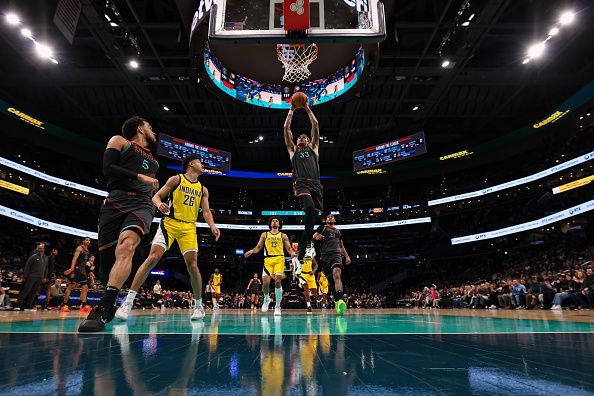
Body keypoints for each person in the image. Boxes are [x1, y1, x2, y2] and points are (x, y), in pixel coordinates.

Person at [115, 154, 220, 321]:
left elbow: (206, 212)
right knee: (152, 258)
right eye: (200, 162)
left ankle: (199, 307)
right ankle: (127, 303)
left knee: (193, 265)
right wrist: (159, 205)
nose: (203, 165)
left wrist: (213, 226)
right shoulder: (176, 179)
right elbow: (156, 196)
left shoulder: (203, 189)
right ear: (191, 164)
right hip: (170, 224)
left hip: (189, 228)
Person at [79, 116, 159, 332]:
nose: (153, 131)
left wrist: (156, 199)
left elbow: (149, 185)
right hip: (115, 201)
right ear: (140, 128)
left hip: (142, 205)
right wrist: (139, 177)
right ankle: (110, 298)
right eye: (150, 127)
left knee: (127, 246)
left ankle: (103, 308)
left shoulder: (154, 160)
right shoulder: (120, 141)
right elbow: (108, 168)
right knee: (106, 267)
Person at [283, 101, 321, 265]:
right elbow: (286, 129)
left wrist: (306, 108)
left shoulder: (314, 148)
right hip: (301, 183)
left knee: (311, 218)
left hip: (316, 184)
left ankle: (302, 252)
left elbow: (315, 124)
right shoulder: (293, 151)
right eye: (300, 137)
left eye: (305, 137)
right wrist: (291, 110)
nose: (302, 138)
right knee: (310, 209)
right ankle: (308, 244)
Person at [244, 217, 296, 316]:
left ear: (280, 224)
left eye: (276, 220)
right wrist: (252, 251)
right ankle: (266, 299)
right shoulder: (265, 234)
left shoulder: (283, 235)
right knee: (265, 283)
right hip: (268, 260)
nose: (274, 221)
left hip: (279, 259)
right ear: (270, 224)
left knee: (277, 280)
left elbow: (289, 248)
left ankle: (277, 306)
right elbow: (259, 247)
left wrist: (292, 253)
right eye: (273, 220)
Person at [312, 214, 351, 314]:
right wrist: (317, 238)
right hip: (324, 258)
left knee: (337, 274)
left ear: (334, 220)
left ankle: (341, 299)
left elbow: (341, 247)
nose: (330, 217)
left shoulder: (338, 232)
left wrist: (346, 256)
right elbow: (312, 239)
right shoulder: (322, 228)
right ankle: (337, 302)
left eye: (332, 217)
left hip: (336, 255)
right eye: (328, 217)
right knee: (332, 283)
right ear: (325, 220)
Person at [15, 243, 49, 311]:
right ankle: (18, 305)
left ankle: (29, 306)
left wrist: (45, 277)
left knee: (34, 292)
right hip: (31, 276)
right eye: (40, 248)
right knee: (26, 290)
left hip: (40, 277)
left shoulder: (46, 257)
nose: (41, 249)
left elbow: (46, 268)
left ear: (44, 249)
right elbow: (27, 266)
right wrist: (25, 276)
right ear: (38, 249)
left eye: (42, 248)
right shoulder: (33, 256)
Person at [61, 238, 92, 313]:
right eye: (86, 240)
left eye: (89, 240)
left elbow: (83, 261)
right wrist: (72, 268)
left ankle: (83, 305)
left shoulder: (87, 251)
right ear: (83, 241)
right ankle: (64, 305)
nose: (88, 241)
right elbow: (74, 259)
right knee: (71, 287)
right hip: (77, 269)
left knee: (85, 287)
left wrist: (87, 264)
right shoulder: (79, 248)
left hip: (83, 270)